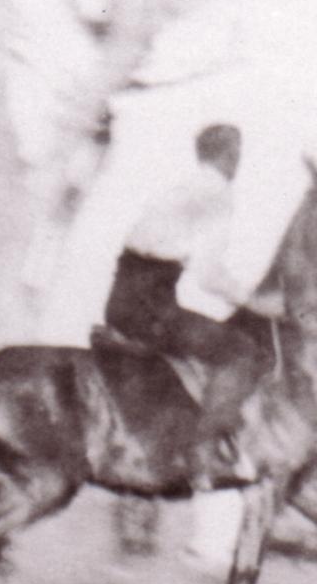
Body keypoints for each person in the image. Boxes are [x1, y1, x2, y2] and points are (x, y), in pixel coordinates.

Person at [104, 123, 276, 470]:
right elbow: (209, 275)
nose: (238, 162)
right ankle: (203, 450)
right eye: (237, 153)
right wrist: (254, 302)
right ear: (229, 155)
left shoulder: (182, 188)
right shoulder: (218, 194)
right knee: (243, 353)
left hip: (124, 302)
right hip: (152, 310)